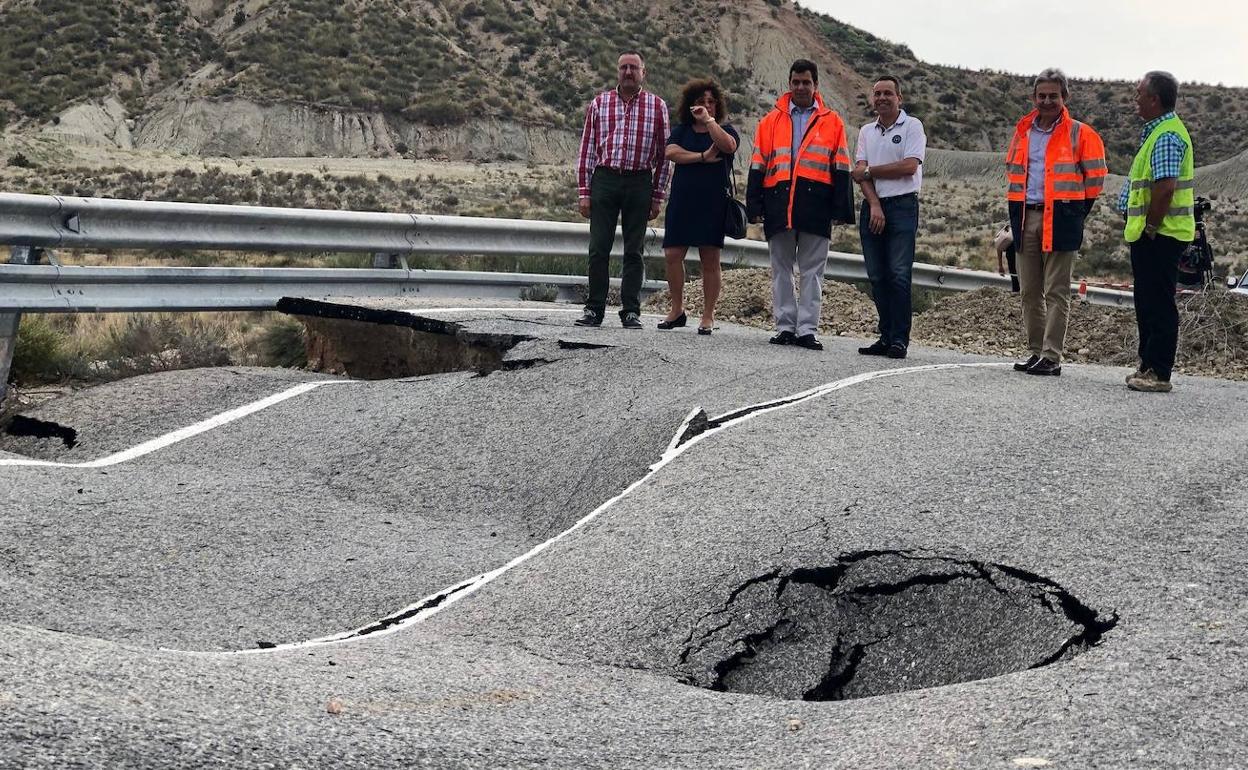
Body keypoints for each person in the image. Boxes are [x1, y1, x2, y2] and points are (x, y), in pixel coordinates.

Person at [1004, 68, 1108, 376]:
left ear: (1064, 97)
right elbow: (1014, 174)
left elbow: (1096, 180)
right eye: (1042, 96)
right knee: (1029, 291)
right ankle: (1036, 352)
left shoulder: (1081, 133)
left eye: (1053, 95)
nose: (1047, 101)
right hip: (1026, 216)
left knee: (1056, 291)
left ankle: (1051, 356)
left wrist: (1075, 213)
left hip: (1061, 217)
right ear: (1033, 98)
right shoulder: (1022, 132)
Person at [745, 59, 854, 351]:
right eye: (796, 82)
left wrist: (840, 210)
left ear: (815, 85)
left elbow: (841, 165)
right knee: (780, 268)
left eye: (806, 82)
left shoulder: (833, 122)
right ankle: (784, 327)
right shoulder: (770, 121)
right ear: (789, 84)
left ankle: (806, 329)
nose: (801, 87)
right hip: (778, 203)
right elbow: (758, 164)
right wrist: (754, 206)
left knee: (812, 271)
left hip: (815, 205)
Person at [574, 51, 672, 329]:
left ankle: (631, 310)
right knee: (598, 248)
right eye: (623, 67)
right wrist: (584, 191)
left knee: (634, 251)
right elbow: (587, 150)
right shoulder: (599, 103)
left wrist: (657, 195)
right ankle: (594, 309)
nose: (628, 72)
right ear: (618, 71)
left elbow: (665, 155)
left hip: (640, 181)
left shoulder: (657, 106)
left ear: (644, 72)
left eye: (634, 67)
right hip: (605, 179)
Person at [1121, 71, 1195, 394]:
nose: (1135, 99)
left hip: (1161, 234)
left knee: (1158, 301)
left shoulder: (1166, 135)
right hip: (1151, 233)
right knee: (1147, 299)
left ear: (1154, 99)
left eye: (1139, 94)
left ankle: (1159, 370)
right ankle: (1147, 365)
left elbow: (1165, 189)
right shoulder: (1157, 132)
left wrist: (1151, 226)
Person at [851, 76, 926, 359]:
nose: (882, 98)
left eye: (887, 93)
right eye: (877, 93)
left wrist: (870, 171)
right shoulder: (867, 131)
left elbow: (908, 166)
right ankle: (885, 336)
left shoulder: (913, 126)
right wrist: (874, 204)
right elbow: (859, 173)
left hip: (903, 206)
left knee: (898, 273)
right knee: (877, 275)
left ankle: (899, 339)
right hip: (874, 207)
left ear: (899, 98)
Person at [658, 79, 740, 335]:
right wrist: (703, 157)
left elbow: (728, 146)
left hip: (712, 202)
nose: (706, 106)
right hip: (683, 201)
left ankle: (708, 315)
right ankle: (677, 309)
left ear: (717, 105)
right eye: (701, 102)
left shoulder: (724, 129)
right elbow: (671, 152)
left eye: (711, 102)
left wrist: (709, 122)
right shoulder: (682, 130)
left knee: (710, 260)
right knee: (672, 254)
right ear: (690, 105)